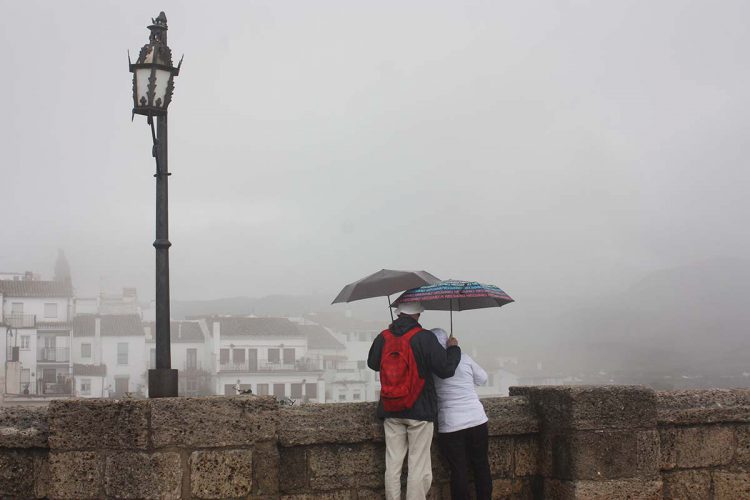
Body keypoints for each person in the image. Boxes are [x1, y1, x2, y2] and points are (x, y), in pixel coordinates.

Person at [368, 302, 461, 500]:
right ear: (418, 314)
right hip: (419, 410)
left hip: (391, 408)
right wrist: (453, 350)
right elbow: (445, 370)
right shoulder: (425, 338)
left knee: (392, 464)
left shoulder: (384, 336)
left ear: (399, 313)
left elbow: (372, 363)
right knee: (418, 466)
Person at [431, 328, 491, 500]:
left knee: (459, 470)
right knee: (481, 465)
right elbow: (483, 378)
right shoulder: (464, 358)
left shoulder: (432, 366)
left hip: (451, 424)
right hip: (476, 419)